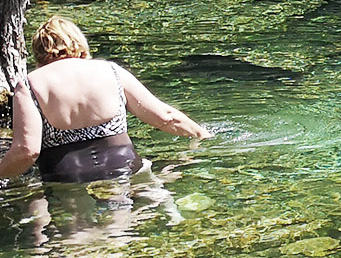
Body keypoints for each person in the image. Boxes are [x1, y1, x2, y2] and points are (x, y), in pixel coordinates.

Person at [0, 15, 209, 185]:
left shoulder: (29, 85)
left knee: (74, 235)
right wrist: (202, 135)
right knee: (122, 230)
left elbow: (27, 151)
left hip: (66, 178)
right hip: (125, 166)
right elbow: (166, 117)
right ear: (79, 42)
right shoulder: (111, 71)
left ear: (38, 52)